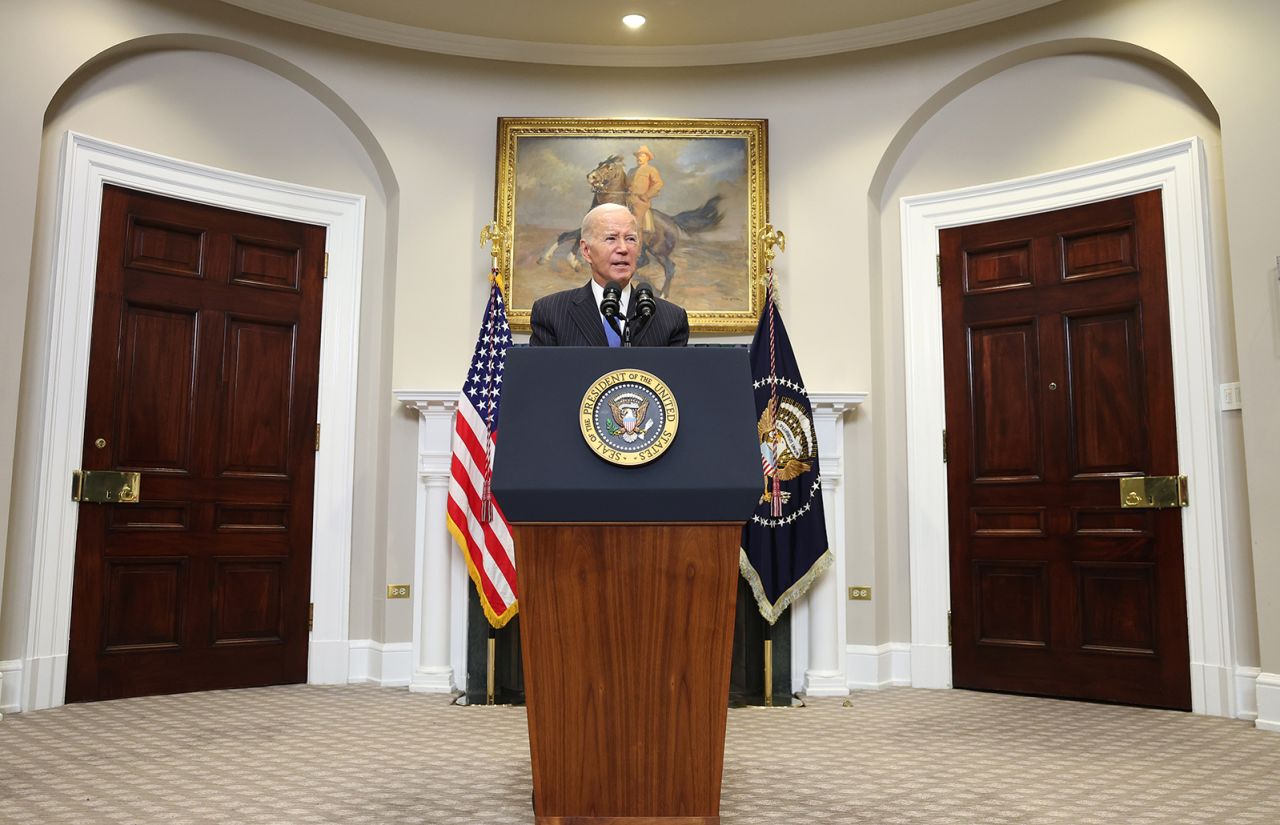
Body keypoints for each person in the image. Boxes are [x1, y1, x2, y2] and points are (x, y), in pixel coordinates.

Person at [529, 203, 688, 347]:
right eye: (611, 238)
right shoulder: (551, 313)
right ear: (586, 251)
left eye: (630, 239)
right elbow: (545, 377)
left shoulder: (671, 318)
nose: (623, 249)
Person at [627, 145, 663, 253]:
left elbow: (658, 184)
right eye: (638, 156)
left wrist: (647, 195)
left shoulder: (651, 170)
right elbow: (626, 185)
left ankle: (636, 252)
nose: (639, 158)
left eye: (642, 155)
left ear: (647, 157)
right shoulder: (631, 171)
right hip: (628, 199)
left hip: (640, 202)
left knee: (635, 223)